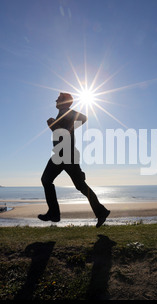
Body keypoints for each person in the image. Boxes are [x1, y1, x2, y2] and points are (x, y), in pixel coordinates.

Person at [38, 92, 110, 227]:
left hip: (67, 154)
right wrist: (54, 126)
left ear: (64, 102)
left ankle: (101, 212)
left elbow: (83, 118)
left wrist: (64, 126)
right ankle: (54, 213)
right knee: (47, 180)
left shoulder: (67, 112)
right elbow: (61, 133)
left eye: (58, 98)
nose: (55, 100)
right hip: (60, 154)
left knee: (79, 186)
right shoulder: (61, 115)